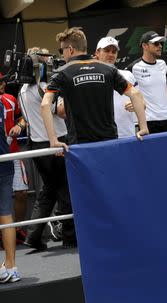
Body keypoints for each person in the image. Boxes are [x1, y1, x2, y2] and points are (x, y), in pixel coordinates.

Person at [41, 27, 149, 151]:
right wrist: (143, 128)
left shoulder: (61, 73)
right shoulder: (108, 69)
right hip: (110, 142)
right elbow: (135, 94)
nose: (62, 54)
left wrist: (53, 140)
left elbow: (45, 105)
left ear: (70, 50)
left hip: (80, 146)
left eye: (62, 50)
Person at [19, 47, 73, 249]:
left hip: (37, 143)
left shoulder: (22, 89)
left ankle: (33, 236)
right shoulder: (44, 87)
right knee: (64, 189)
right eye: (44, 59)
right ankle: (70, 237)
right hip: (54, 142)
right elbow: (61, 112)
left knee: (48, 190)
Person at [126, 31, 167, 134]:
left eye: (161, 43)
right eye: (156, 43)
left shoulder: (163, 64)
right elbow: (124, 90)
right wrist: (128, 102)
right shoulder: (133, 67)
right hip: (148, 121)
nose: (160, 46)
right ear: (144, 46)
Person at [0, 74, 28, 243]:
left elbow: (24, 118)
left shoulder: (10, 99)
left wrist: (19, 125)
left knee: (22, 193)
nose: (2, 84)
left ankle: (16, 229)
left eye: (2, 81)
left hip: (13, 153)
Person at [96, 37, 137, 137]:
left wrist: (135, 104)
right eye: (106, 51)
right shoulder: (90, 77)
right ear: (97, 52)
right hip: (101, 137)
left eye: (114, 51)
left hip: (127, 135)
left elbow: (143, 104)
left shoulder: (128, 75)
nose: (111, 54)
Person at [0, 100, 21, 283]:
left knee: (6, 215)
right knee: (6, 215)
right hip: (5, 163)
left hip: (4, 163)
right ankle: (11, 267)